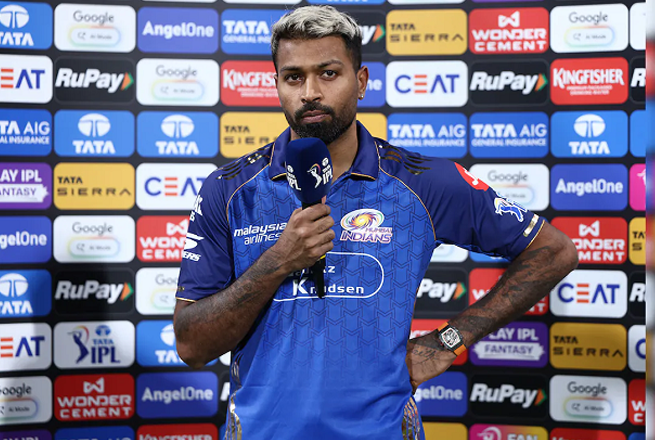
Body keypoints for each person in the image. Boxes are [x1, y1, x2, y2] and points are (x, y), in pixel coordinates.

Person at [174, 5, 578, 440]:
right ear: (276, 85)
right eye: (293, 77)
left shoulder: (421, 182)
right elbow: (192, 345)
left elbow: (554, 251)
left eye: (329, 73)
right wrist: (278, 261)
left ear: (361, 81)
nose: (310, 92)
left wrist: (448, 341)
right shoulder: (229, 190)